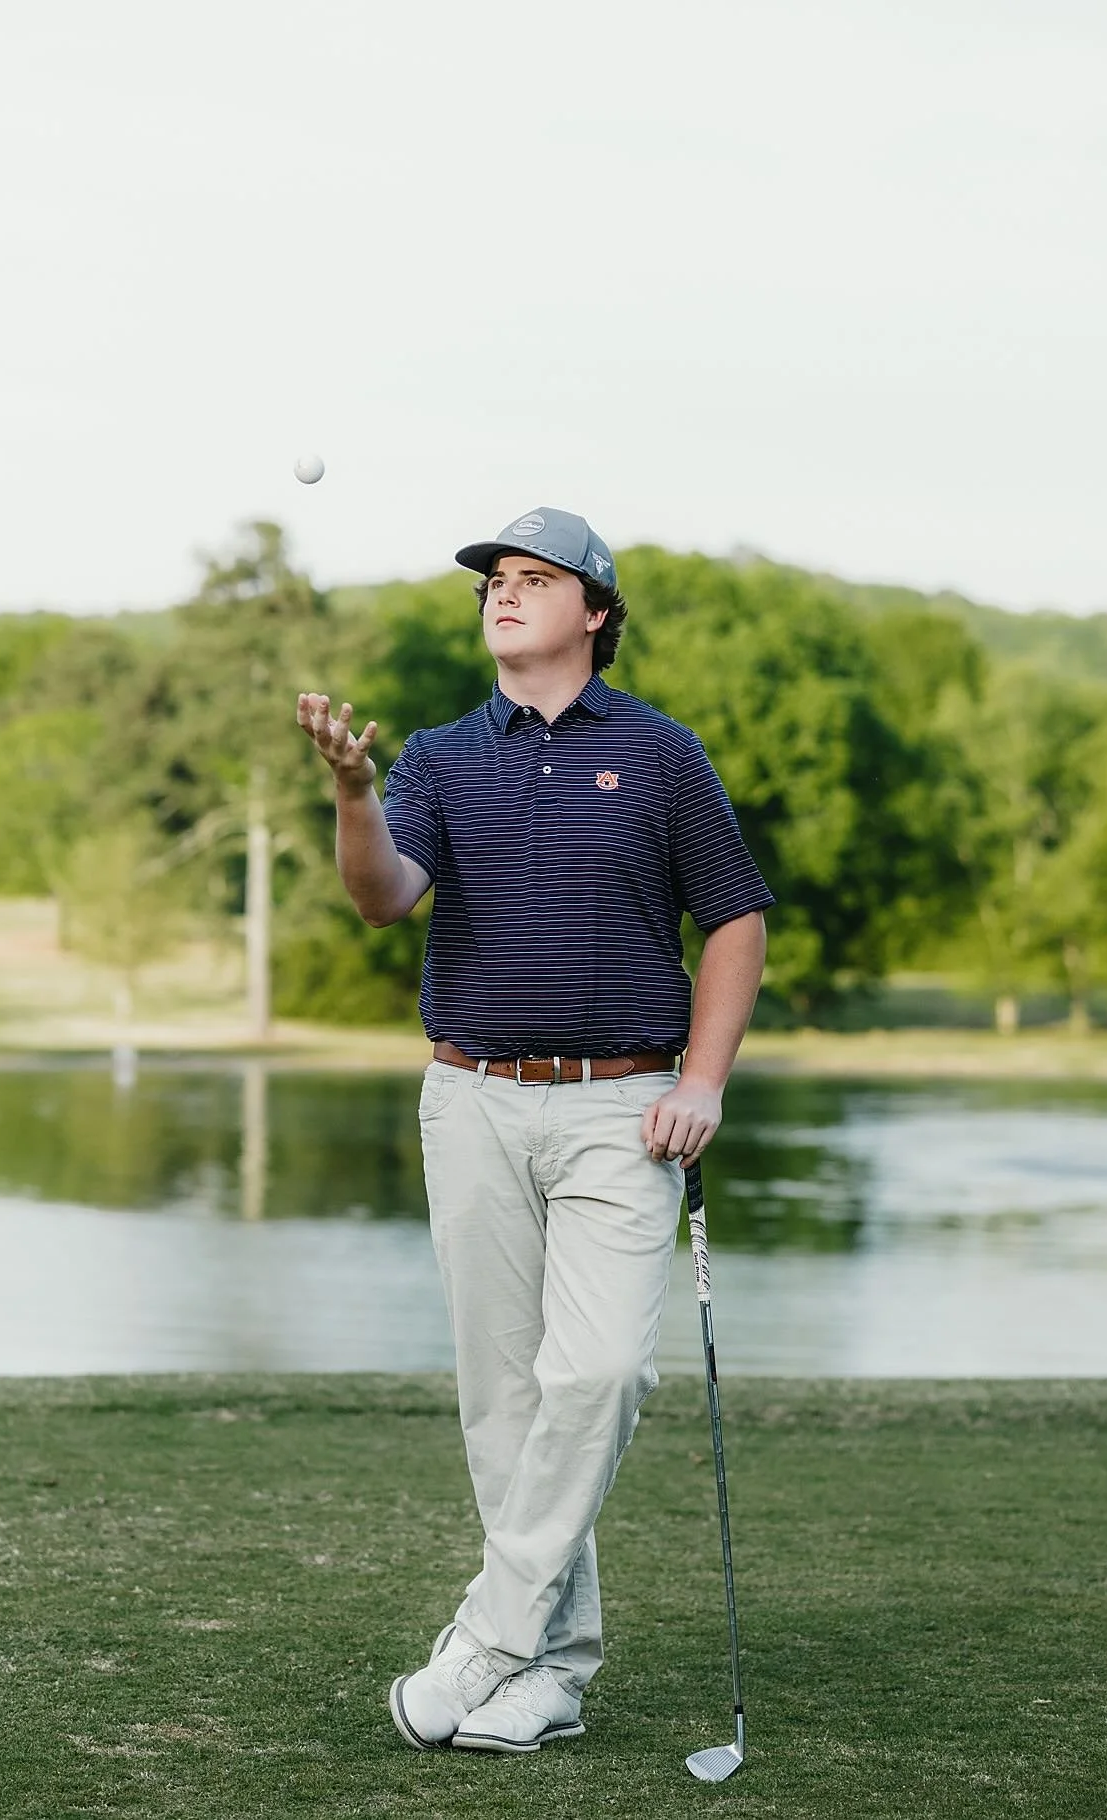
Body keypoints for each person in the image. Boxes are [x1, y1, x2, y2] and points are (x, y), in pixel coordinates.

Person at [297, 506, 772, 1755]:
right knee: (505, 1403)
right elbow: (381, 896)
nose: (503, 594)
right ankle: (552, 1671)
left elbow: (735, 919)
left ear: (596, 612)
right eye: (494, 581)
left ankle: (490, 1636)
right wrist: (353, 792)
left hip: (628, 1107)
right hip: (471, 1097)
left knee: (601, 1372)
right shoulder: (444, 756)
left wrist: (706, 1080)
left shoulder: (664, 755)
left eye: (533, 577)